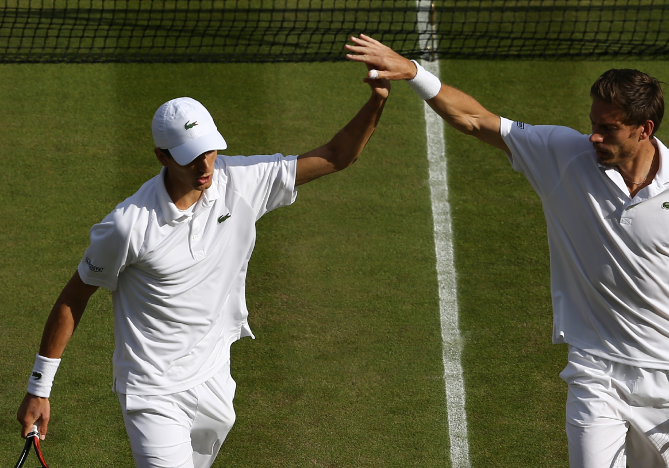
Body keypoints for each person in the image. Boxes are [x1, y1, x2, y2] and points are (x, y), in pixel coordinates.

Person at [345, 34, 669, 467]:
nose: (593, 136)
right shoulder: (562, 155)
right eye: (593, 123)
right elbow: (474, 119)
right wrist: (414, 72)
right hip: (596, 369)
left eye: (608, 128)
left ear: (644, 129)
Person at [17, 74, 390, 468]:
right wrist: (39, 387)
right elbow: (73, 298)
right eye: (189, 155)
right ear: (162, 156)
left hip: (214, 376)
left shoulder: (240, 182)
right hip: (152, 391)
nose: (204, 164)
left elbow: (337, 155)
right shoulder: (128, 225)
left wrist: (377, 99)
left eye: (209, 150)